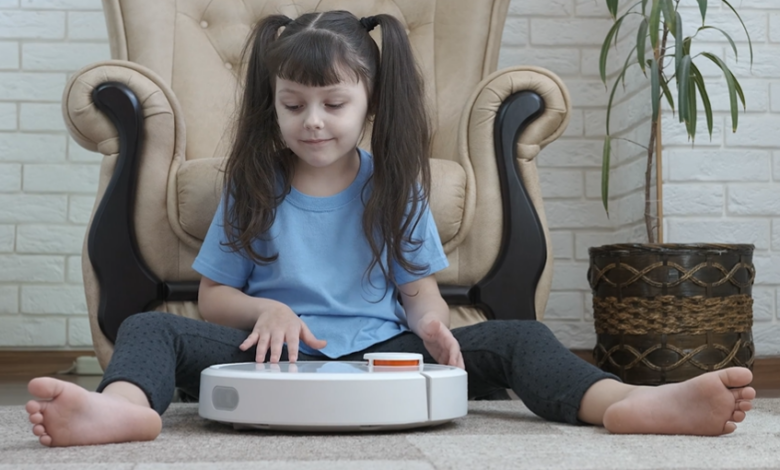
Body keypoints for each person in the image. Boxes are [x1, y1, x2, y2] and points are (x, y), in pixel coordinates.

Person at [25, 10, 755, 447]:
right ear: (273, 107)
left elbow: (420, 291)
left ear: (367, 104)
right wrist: (265, 308)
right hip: (273, 351)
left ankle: (627, 404)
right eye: (293, 105)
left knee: (522, 337)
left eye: (333, 104)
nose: (312, 121)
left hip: (383, 350)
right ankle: (121, 412)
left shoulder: (393, 187)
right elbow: (215, 296)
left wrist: (435, 325)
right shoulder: (251, 185)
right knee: (153, 330)